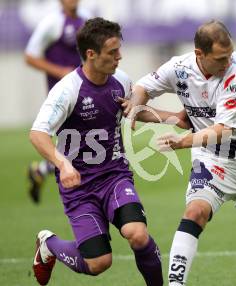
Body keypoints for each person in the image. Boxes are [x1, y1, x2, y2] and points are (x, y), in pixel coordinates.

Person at [127, 20, 236, 286]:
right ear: (200, 54)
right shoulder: (179, 68)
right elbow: (142, 88)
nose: (227, 62)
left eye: (230, 54)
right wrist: (134, 107)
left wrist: (182, 141)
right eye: (221, 57)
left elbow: (222, 130)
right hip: (211, 159)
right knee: (194, 213)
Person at [30, 17, 164, 286]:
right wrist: (63, 164)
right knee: (98, 263)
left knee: (137, 234)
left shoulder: (120, 81)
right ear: (91, 54)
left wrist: (175, 117)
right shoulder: (67, 90)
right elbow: (37, 134)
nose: (120, 57)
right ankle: (49, 244)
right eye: (113, 52)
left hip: (115, 176)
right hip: (79, 188)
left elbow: (133, 110)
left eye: (119, 50)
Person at [25, 0, 90, 204]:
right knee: (81, 144)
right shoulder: (52, 23)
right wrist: (60, 71)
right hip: (62, 95)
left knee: (84, 143)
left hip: (85, 90)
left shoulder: (85, 19)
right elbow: (30, 57)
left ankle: (41, 170)